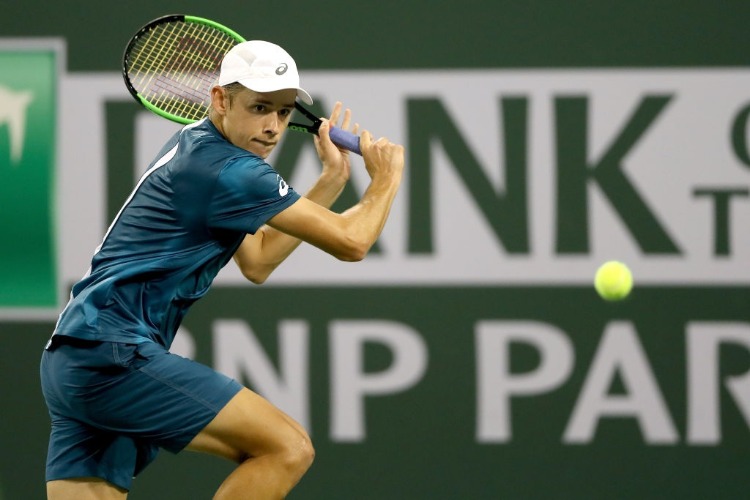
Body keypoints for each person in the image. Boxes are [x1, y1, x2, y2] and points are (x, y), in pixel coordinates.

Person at [40, 40, 404, 499]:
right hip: (113, 353)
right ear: (220, 99)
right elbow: (352, 243)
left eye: (284, 112)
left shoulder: (199, 145)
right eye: (259, 107)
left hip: (73, 361)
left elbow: (258, 260)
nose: (272, 127)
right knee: (286, 448)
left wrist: (331, 181)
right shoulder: (229, 170)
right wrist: (387, 179)